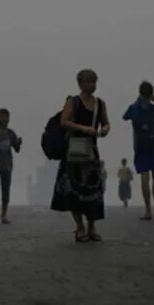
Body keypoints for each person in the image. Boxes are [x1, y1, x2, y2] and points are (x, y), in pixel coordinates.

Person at [51, 69, 110, 243]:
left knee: (93, 190)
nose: (92, 85)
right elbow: (64, 121)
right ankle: (79, 226)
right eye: (89, 82)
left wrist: (105, 129)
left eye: (94, 82)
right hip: (74, 151)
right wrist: (83, 129)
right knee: (73, 191)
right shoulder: (73, 102)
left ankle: (92, 226)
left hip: (91, 152)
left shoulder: (100, 104)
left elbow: (106, 122)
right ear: (80, 83)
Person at [122, 82, 154, 220]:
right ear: (151, 93)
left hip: (140, 146)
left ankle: (148, 211)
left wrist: (135, 102)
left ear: (139, 92)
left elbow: (125, 117)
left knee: (144, 177)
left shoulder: (133, 108)